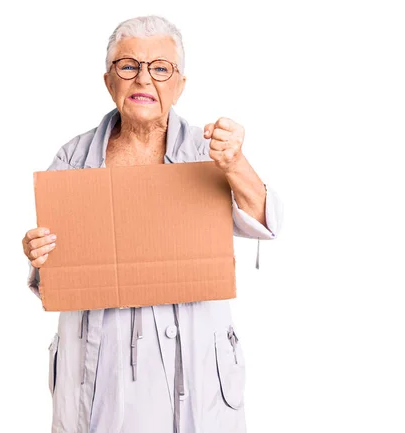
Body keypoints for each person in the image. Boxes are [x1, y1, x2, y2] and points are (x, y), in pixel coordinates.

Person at [21, 15, 284, 433]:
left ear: (180, 84)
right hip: (100, 370)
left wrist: (236, 162)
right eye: (128, 66)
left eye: (160, 68)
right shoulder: (73, 158)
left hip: (192, 365)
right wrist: (39, 256)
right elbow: (54, 276)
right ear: (109, 81)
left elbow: (263, 220)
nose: (144, 79)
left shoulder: (207, 151)